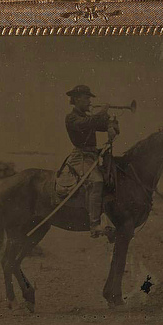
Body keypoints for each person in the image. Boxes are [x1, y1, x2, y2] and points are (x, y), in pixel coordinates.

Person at [64, 85, 119, 238]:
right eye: (86, 97)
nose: (89, 101)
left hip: (92, 157)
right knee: (96, 181)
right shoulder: (72, 117)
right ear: (76, 99)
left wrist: (111, 125)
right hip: (80, 157)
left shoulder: (87, 117)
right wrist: (103, 112)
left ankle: (108, 220)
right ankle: (94, 224)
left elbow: (101, 124)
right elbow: (88, 123)